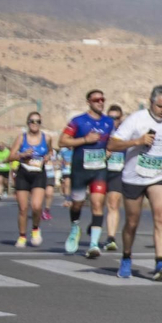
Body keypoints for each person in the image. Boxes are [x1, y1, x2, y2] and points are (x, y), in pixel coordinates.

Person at [109, 85, 162, 280]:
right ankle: (126, 257)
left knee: (161, 217)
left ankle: (160, 262)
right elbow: (112, 144)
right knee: (132, 222)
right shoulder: (136, 119)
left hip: (158, 175)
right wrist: (137, 141)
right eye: (160, 107)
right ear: (151, 102)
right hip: (134, 177)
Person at [59, 90, 114, 259]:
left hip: (99, 169)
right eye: (96, 99)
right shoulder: (78, 121)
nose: (100, 102)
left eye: (102, 99)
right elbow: (62, 141)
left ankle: (94, 245)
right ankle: (75, 226)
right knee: (77, 204)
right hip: (80, 169)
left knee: (98, 204)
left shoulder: (108, 122)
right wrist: (84, 140)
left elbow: (112, 141)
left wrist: (109, 150)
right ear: (88, 102)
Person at [10, 111, 52, 247]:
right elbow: (10, 156)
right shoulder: (21, 138)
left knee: (36, 206)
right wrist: (22, 154)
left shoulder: (47, 138)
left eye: (38, 121)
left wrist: (48, 156)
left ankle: (35, 229)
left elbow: (50, 151)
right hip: (24, 172)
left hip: (39, 173)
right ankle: (22, 236)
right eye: (32, 121)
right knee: (23, 208)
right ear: (28, 123)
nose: (35, 124)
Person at [102, 103, 126, 251]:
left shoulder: (126, 134)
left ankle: (111, 238)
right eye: (110, 118)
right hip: (101, 170)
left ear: (120, 119)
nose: (113, 121)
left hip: (117, 172)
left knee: (113, 203)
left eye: (116, 118)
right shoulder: (102, 132)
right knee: (97, 204)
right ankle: (95, 223)